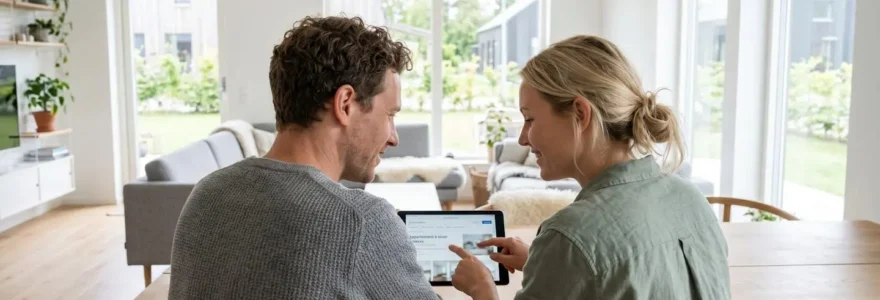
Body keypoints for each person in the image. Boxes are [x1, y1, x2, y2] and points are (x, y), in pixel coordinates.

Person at [169, 16, 439, 299]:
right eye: (390, 115)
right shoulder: (360, 221)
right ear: (345, 104)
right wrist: (484, 292)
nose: (394, 137)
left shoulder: (206, 195)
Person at [448, 35, 731, 299]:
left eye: (530, 119)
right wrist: (547, 264)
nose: (523, 138)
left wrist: (484, 290)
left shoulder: (569, 237)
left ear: (580, 114)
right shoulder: (691, 199)